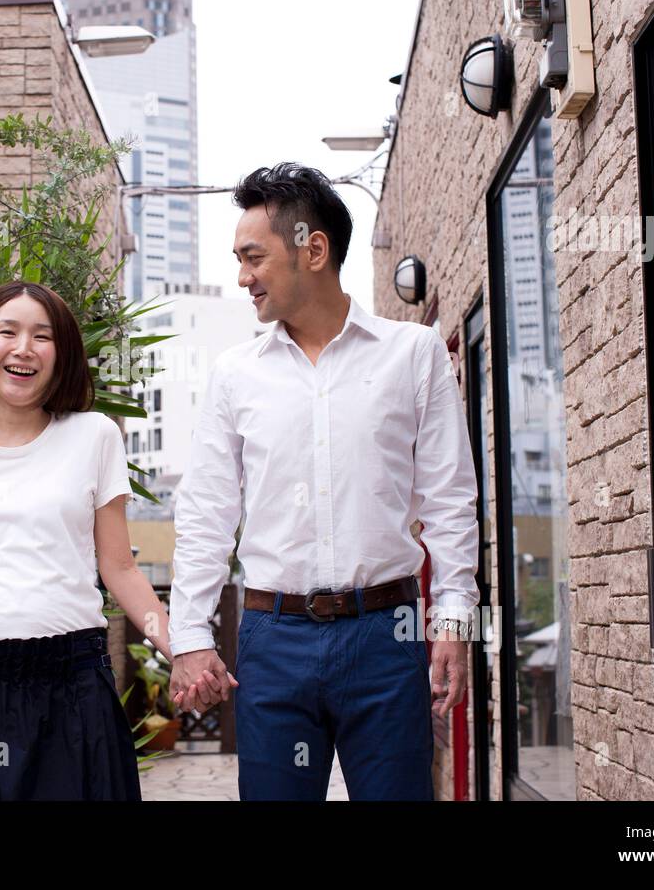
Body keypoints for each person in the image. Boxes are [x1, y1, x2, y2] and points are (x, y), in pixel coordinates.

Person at [168, 163, 480, 800]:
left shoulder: (413, 354)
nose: (242, 276)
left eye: (254, 257)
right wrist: (190, 639)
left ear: (313, 249)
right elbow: (206, 513)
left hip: (387, 635)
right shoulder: (234, 376)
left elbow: (451, 502)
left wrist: (455, 623)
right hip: (272, 638)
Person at [0, 280, 231, 800]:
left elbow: (120, 569)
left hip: (72, 684)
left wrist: (183, 647)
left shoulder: (94, 436)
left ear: (61, 354)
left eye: (42, 336)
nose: (24, 348)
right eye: (8, 331)